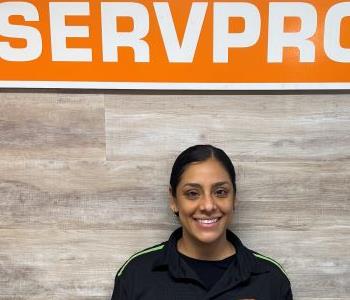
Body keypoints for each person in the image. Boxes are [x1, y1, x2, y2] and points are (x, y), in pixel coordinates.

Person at [111, 144, 293, 299]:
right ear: (173, 200)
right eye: (192, 193)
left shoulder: (271, 278)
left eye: (220, 192)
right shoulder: (136, 274)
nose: (208, 205)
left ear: (234, 198)